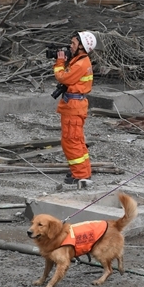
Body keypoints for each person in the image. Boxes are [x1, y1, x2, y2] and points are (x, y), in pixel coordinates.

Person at [53, 32, 96, 189]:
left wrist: (59, 62)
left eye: (73, 43)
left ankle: (80, 176)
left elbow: (63, 77)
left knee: (71, 141)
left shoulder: (80, 64)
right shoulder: (80, 61)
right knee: (76, 140)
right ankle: (83, 172)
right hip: (74, 106)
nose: (70, 46)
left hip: (73, 107)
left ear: (82, 47)